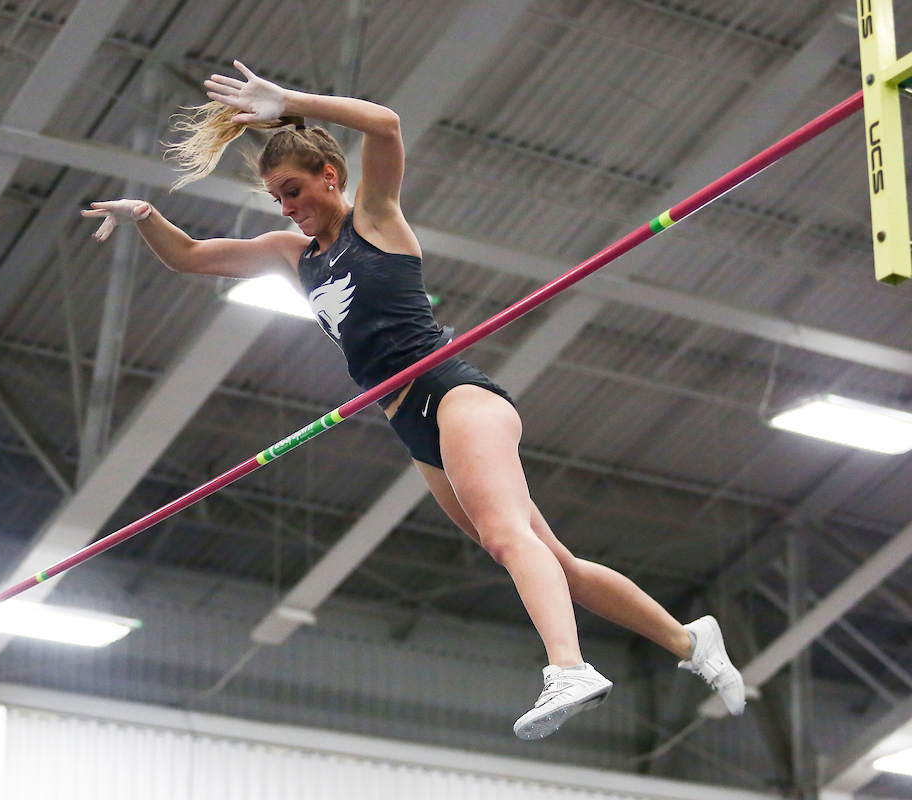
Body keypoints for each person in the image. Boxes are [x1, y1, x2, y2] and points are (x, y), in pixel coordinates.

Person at [82, 61, 746, 739]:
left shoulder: (375, 216)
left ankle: (569, 667)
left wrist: (292, 101)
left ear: (329, 178)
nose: (286, 208)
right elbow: (192, 256)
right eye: (277, 199)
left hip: (454, 394)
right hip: (410, 424)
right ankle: (692, 644)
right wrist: (143, 215)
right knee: (555, 563)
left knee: (503, 535)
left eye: (292, 191)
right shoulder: (292, 253)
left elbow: (387, 125)